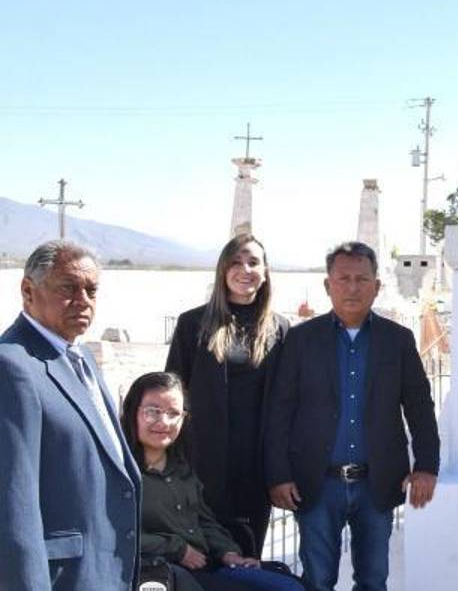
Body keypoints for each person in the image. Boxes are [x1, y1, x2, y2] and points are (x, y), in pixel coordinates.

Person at [264, 241, 441, 591]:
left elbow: (420, 407)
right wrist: (278, 475)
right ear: (327, 285)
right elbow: (280, 411)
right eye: (343, 279)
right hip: (317, 484)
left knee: (373, 580)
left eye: (362, 279)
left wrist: (426, 466)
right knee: (317, 580)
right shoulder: (301, 340)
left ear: (377, 286)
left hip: (377, 483)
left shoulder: (398, 340)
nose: (352, 287)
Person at [0, 240, 142, 590]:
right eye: (68, 288)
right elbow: (13, 504)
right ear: (28, 291)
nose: (83, 300)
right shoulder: (12, 367)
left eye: (91, 290)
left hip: (104, 571)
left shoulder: (80, 357)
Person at [122, 371, 304, 591]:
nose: (164, 422)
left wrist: (229, 552)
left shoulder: (182, 467)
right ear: (132, 411)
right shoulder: (120, 473)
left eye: (173, 413)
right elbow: (116, 534)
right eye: (152, 412)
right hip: (159, 573)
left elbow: (203, 521)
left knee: (290, 586)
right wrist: (176, 548)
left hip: (206, 566)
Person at [166, 233, 289, 556]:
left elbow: (286, 404)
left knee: (247, 557)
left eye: (253, 262)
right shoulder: (193, 324)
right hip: (202, 464)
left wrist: (281, 470)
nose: (245, 270)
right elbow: (173, 393)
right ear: (223, 270)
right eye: (236, 262)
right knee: (203, 557)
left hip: (255, 469)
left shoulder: (280, 329)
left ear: (265, 272)